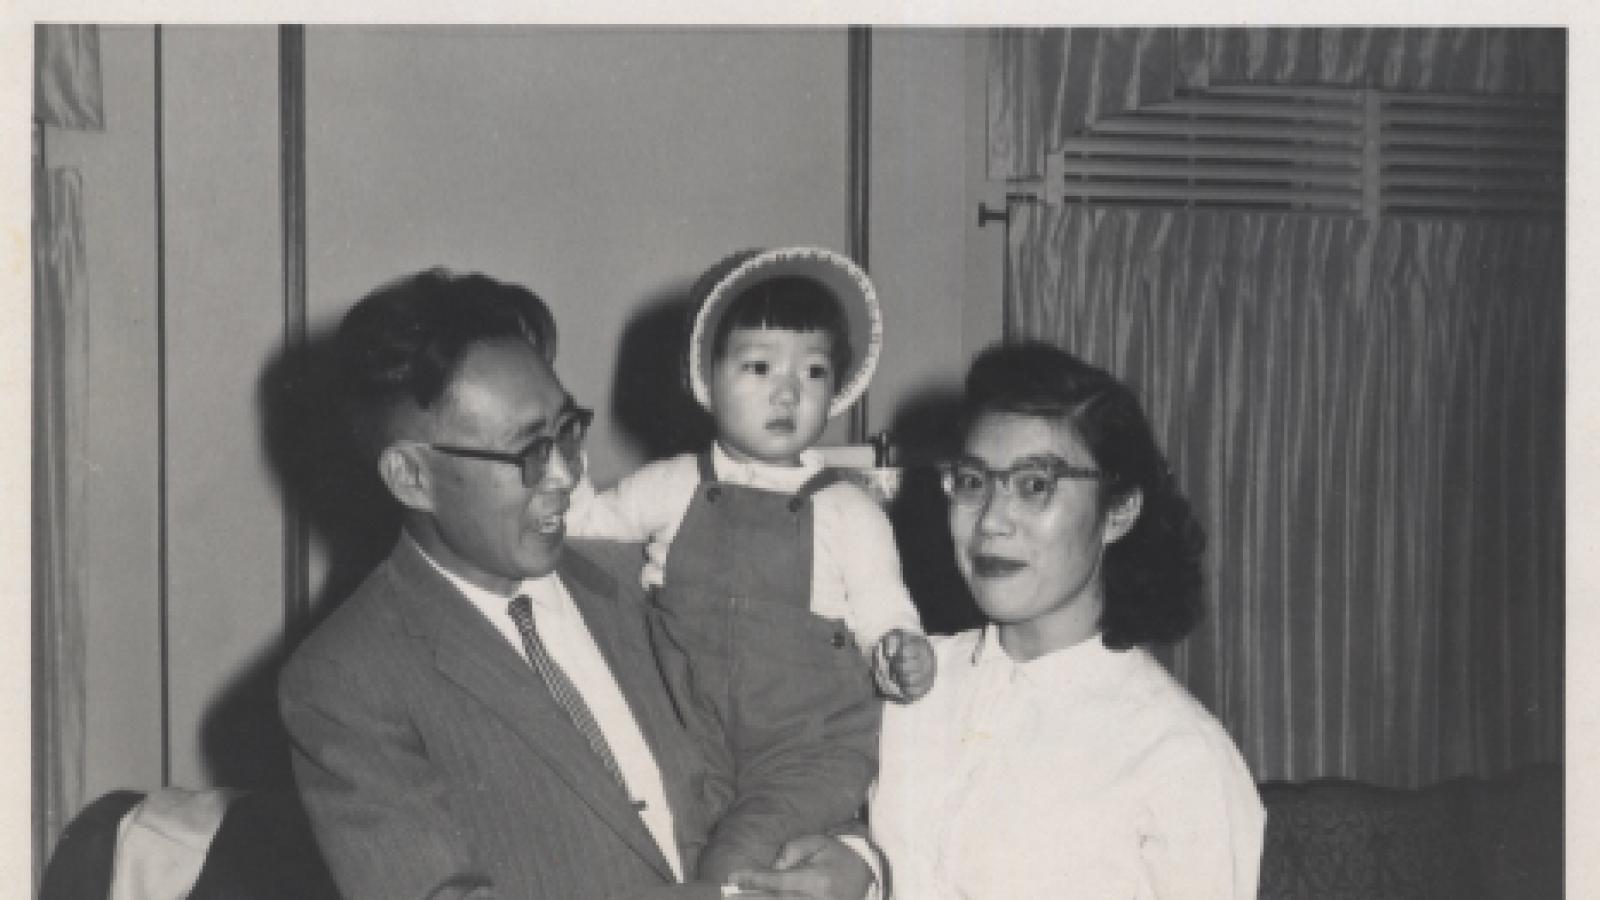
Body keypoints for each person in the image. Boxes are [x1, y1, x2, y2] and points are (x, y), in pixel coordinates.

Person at [278, 269, 876, 900]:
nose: (567, 474)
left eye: (567, 431)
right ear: (410, 477)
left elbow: (797, 737)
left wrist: (858, 861)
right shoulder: (345, 680)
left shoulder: (651, 570)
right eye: (527, 452)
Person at [567, 247, 935, 882]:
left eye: (814, 372)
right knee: (649, 851)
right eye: (759, 366)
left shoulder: (849, 512)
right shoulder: (671, 486)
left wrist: (905, 654)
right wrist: (562, 460)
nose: (788, 390)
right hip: (692, 745)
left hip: (808, 755)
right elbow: (584, 527)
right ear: (705, 380)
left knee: (735, 864)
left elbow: (886, 614)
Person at [870, 341, 1264, 899]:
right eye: (973, 481)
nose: (992, 521)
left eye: (1034, 486)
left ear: (1120, 509)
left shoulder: (1180, 755)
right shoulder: (907, 683)